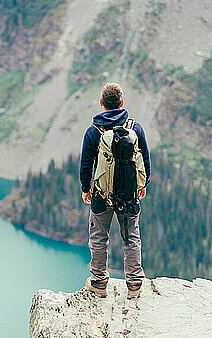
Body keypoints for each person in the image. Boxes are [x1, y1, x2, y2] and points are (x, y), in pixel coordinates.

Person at [79, 83, 151, 299]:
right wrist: (142, 185)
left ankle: (99, 284)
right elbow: (145, 160)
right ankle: (135, 285)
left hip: (101, 195)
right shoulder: (135, 128)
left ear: (102, 104)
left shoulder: (93, 131)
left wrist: (85, 189)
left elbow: (86, 164)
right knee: (131, 237)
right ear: (122, 103)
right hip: (129, 195)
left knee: (99, 237)